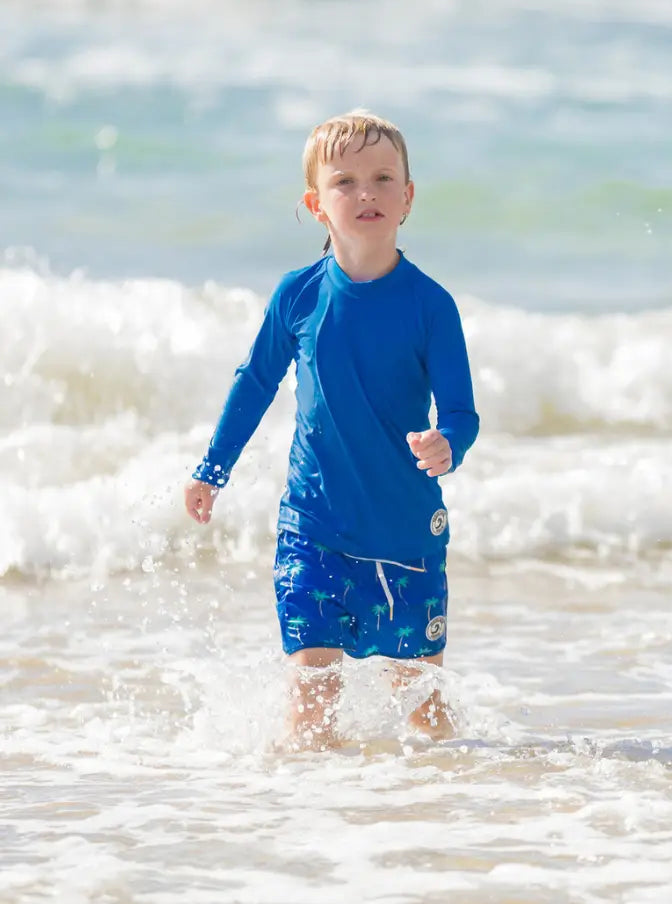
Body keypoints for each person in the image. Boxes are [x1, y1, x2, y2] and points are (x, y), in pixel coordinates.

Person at [183, 111, 479, 750]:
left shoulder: (431, 305)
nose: (365, 192)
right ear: (317, 205)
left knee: (424, 710)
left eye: (382, 178)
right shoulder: (298, 296)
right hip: (312, 530)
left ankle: (445, 816)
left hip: (405, 536)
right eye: (345, 181)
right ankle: (312, 826)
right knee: (311, 700)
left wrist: (447, 443)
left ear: (408, 197)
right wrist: (213, 467)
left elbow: (462, 412)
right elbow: (255, 383)